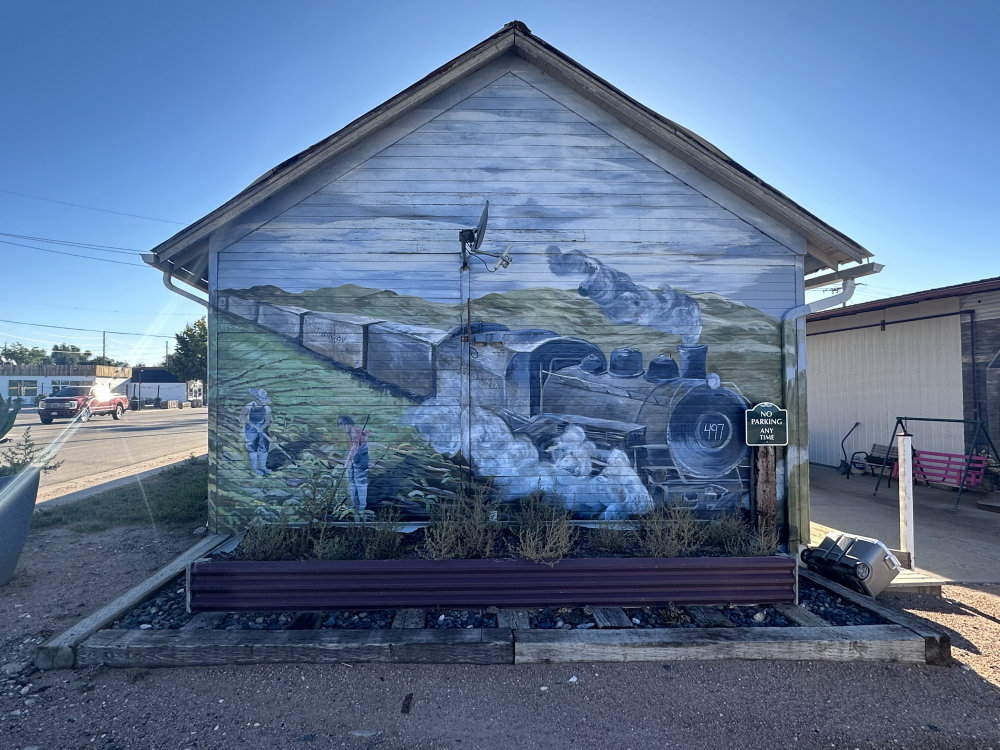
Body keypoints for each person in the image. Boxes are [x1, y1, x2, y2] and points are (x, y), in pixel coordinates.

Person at [338, 415, 370, 513]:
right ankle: (354, 504)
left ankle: (361, 506)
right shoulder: (354, 430)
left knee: (360, 481)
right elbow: (366, 433)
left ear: (347, 424)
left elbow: (355, 448)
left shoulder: (353, 431)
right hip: (356, 456)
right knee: (352, 480)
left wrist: (348, 461)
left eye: (342, 425)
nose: (341, 428)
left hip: (360, 456)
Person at [240, 388, 272, 476]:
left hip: (262, 429)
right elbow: (243, 415)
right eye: (259, 399)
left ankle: (263, 467)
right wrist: (252, 424)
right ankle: (255, 468)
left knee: (264, 447)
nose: (260, 401)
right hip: (251, 429)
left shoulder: (266, 408)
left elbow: (267, 420)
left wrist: (262, 427)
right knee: (252, 447)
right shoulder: (250, 405)